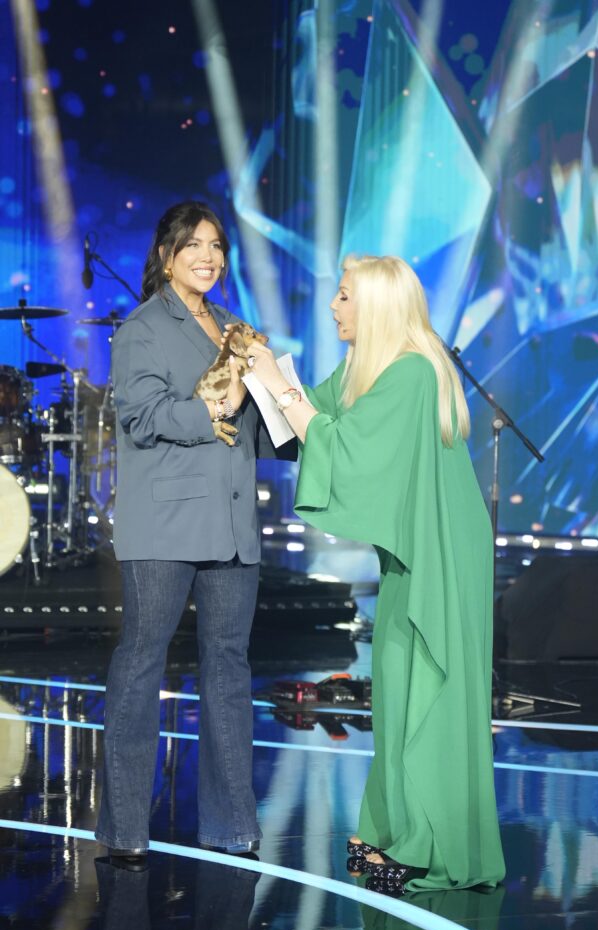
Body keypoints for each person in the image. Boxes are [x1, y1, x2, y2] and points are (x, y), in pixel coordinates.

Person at [246, 255, 505, 893]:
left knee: (428, 688)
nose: (333, 306)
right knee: (395, 684)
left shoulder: (413, 371)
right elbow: (309, 420)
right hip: (409, 549)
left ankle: (431, 846)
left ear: (378, 307)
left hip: (442, 545)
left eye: (343, 296)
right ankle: (392, 828)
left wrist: (274, 380)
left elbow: (341, 447)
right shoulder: (367, 367)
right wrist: (257, 374)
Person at [95, 200, 292, 864]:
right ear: (165, 255)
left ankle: (231, 824)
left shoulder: (235, 328)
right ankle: (124, 828)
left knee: (229, 667)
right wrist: (213, 409)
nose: (208, 257)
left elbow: (251, 423)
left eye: (215, 246)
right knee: (141, 660)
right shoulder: (143, 328)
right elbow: (143, 416)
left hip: (233, 520)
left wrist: (288, 409)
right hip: (166, 521)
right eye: (193, 246)